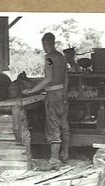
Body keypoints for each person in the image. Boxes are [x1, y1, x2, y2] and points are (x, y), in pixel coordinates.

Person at [22, 32, 70, 170]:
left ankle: (54, 160)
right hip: (62, 94)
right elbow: (66, 77)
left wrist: (32, 91)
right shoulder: (61, 57)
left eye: (43, 44)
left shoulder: (49, 58)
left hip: (53, 95)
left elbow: (48, 79)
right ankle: (65, 154)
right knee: (64, 124)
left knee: (53, 125)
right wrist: (64, 92)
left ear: (45, 43)